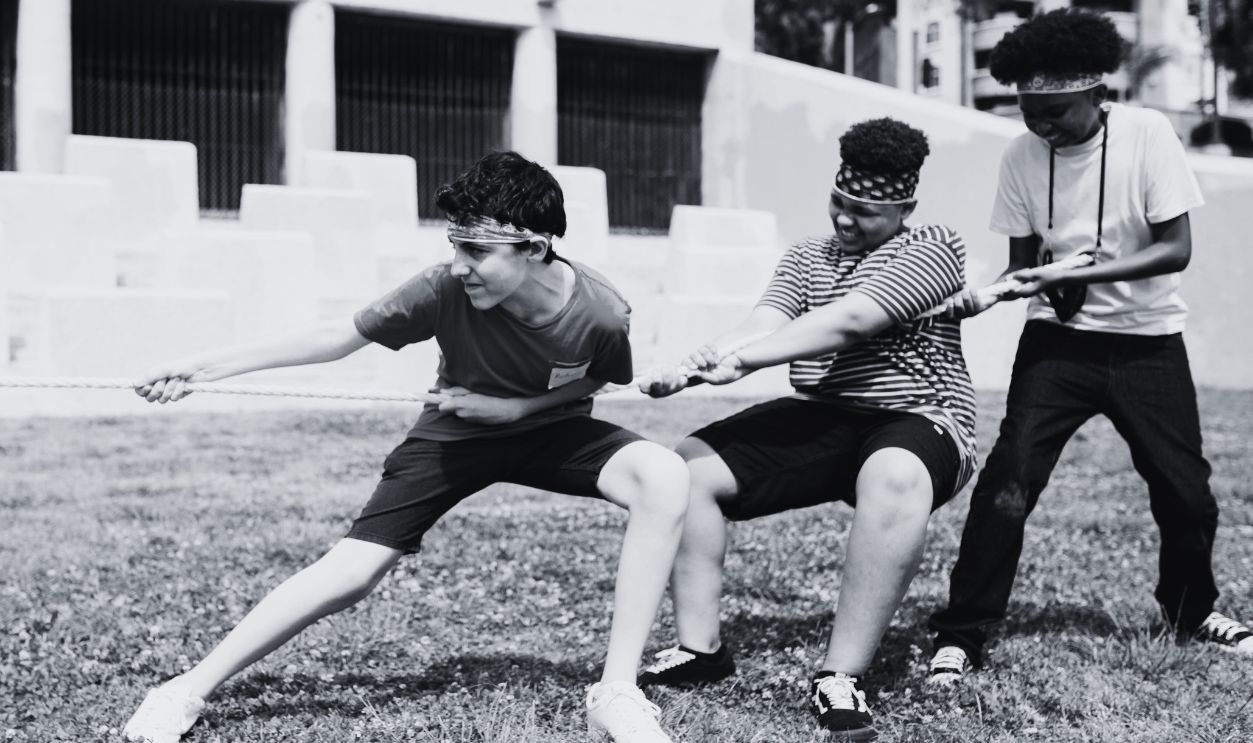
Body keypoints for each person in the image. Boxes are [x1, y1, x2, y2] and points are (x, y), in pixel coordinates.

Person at [121, 151, 690, 743]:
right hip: (455, 434)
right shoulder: (442, 288)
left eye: (476, 251)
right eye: (454, 245)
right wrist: (200, 369)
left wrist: (518, 409)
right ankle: (183, 689)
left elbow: (602, 376)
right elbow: (336, 337)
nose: (459, 265)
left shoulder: (601, 311)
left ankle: (616, 691)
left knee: (664, 474)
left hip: (552, 431)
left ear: (536, 248)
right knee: (354, 571)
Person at [925, 8, 1253, 685]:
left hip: (1146, 343)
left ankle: (1190, 610)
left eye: (1056, 111)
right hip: (1056, 342)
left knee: (1185, 493)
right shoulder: (1019, 157)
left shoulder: (1146, 133)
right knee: (1006, 485)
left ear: (1097, 94)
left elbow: (1174, 250)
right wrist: (991, 292)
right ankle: (961, 633)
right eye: (1028, 111)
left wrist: (1073, 270)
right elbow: (1022, 266)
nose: (1041, 125)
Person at [636, 118, 976, 741]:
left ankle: (839, 677)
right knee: (689, 468)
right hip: (829, 414)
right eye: (839, 204)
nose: (846, 221)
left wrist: (743, 361)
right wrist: (690, 366)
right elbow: (762, 323)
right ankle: (700, 650)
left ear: (905, 207)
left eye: (866, 212)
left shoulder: (932, 246)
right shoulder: (807, 256)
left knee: (893, 472)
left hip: (922, 421)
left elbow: (851, 321)